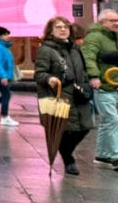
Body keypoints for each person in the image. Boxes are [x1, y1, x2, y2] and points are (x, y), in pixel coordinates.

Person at [34, 16, 93, 176]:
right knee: (64, 129)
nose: (62, 30)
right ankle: (68, 160)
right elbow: (39, 74)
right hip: (60, 96)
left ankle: (66, 153)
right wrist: (49, 78)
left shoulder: (74, 48)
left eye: (65, 27)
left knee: (85, 127)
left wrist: (87, 82)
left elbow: (82, 70)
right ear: (51, 31)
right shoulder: (46, 50)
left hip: (79, 94)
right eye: (58, 27)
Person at [81, 6, 118, 166]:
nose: (116, 23)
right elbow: (88, 57)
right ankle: (116, 156)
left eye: (117, 20)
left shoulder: (114, 36)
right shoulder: (94, 37)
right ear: (102, 21)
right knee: (112, 119)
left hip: (114, 84)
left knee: (108, 121)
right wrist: (94, 76)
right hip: (103, 84)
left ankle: (103, 155)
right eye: (112, 20)